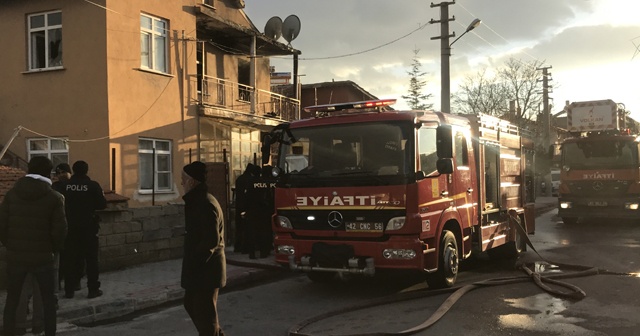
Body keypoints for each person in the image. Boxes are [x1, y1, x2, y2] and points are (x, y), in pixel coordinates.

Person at [0, 156, 67, 336]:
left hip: (16, 256)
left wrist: (11, 245)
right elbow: (60, 231)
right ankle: (46, 330)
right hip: (43, 257)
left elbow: (2, 226)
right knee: (47, 299)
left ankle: (10, 330)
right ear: (48, 172)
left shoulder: (12, 195)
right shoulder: (54, 197)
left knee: (13, 298)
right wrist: (52, 249)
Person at [181, 161, 226, 336]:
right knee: (191, 305)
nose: (181, 183)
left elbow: (211, 240)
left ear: (192, 182)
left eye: (183, 180)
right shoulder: (197, 201)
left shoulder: (205, 203)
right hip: (200, 269)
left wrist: (196, 262)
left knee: (205, 314)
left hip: (205, 270)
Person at [61, 160, 107, 299]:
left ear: (73, 170)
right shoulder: (93, 186)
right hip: (88, 227)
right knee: (91, 260)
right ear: (86, 171)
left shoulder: (65, 186)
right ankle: (93, 289)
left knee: (70, 258)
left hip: (69, 227)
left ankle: (69, 290)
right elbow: (102, 204)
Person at [52, 163, 75, 291]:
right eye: (58, 173)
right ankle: (61, 283)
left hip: (72, 226)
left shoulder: (73, 186)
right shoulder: (54, 187)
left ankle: (70, 285)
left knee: (71, 258)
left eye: (63, 172)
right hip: (60, 226)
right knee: (62, 258)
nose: (61, 175)